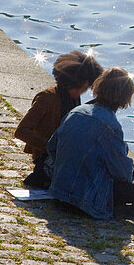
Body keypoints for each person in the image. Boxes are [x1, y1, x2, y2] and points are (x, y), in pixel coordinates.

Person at [46, 67, 134, 218]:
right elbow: (122, 174)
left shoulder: (77, 111)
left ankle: (120, 206)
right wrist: (131, 169)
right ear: (126, 97)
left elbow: (52, 147)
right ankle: (115, 208)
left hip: (59, 192)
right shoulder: (110, 126)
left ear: (99, 87)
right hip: (86, 200)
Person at [15, 51, 104, 189]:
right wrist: (51, 147)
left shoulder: (73, 97)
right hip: (47, 159)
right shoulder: (47, 98)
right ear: (71, 82)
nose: (82, 91)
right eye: (80, 87)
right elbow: (21, 131)